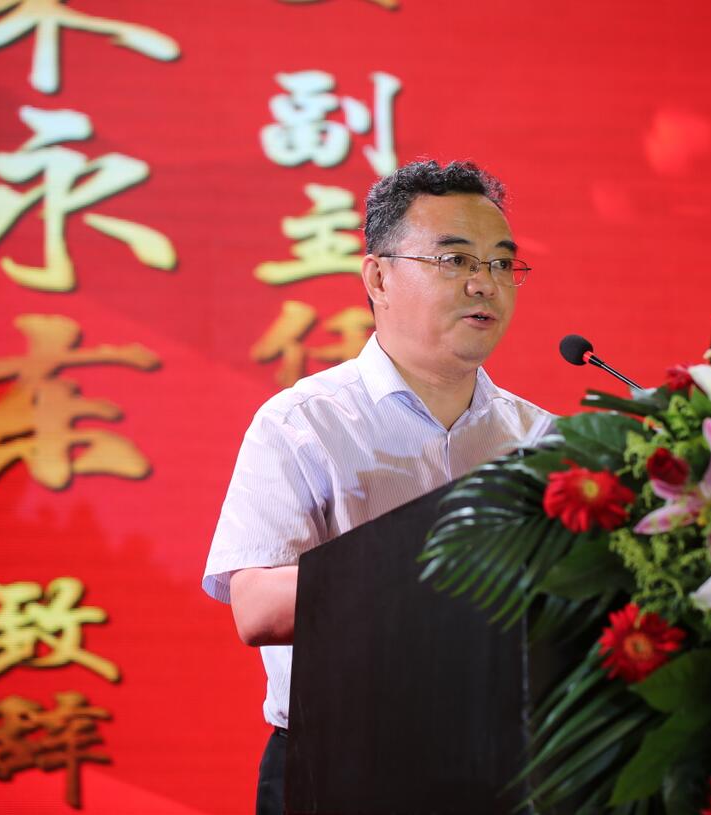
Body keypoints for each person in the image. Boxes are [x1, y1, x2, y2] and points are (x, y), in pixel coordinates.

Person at [201, 160, 552, 814]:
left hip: (508, 767)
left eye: (502, 264)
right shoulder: (304, 422)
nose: (485, 282)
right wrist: (445, 568)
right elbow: (257, 605)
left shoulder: (543, 441)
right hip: (341, 768)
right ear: (379, 277)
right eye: (455, 260)